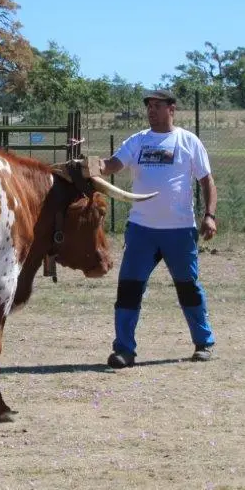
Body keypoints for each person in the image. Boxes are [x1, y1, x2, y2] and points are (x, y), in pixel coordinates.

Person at [98, 89, 218, 368]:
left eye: (157, 106)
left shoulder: (188, 141)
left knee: (188, 288)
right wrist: (94, 165)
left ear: (171, 109)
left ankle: (204, 343)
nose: (151, 110)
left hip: (179, 229)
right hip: (142, 230)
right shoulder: (137, 141)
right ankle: (124, 350)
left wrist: (209, 215)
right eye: (149, 106)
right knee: (128, 289)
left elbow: (207, 181)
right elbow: (113, 165)